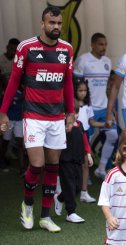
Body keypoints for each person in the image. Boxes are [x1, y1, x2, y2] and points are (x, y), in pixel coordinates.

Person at [0, 6, 75, 232]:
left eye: (59, 24)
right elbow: (14, 81)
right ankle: (28, 205)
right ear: (42, 24)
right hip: (33, 115)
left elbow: (68, 82)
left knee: (53, 165)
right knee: (37, 164)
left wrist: (71, 112)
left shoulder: (67, 49)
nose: (56, 27)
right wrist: (3, 111)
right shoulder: (26, 47)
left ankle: (45, 216)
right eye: (52, 23)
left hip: (56, 116)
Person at [74, 33, 118, 179]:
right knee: (85, 141)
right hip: (88, 109)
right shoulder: (83, 60)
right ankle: (81, 172)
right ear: (92, 45)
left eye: (105, 44)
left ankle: (101, 168)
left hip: (104, 107)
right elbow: (76, 84)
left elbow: (107, 87)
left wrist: (111, 107)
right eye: (100, 44)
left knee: (112, 135)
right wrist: (79, 105)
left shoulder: (107, 61)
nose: (103, 47)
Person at [54, 103, 93, 223]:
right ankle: (71, 212)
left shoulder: (80, 125)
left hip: (78, 159)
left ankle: (60, 198)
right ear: (65, 115)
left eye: (76, 114)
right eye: (72, 114)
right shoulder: (61, 126)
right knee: (69, 186)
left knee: (77, 186)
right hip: (65, 160)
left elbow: (85, 140)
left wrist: (88, 154)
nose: (75, 116)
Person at [73, 77, 105, 202]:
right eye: (80, 90)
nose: (82, 93)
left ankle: (84, 192)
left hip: (84, 134)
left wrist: (104, 125)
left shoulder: (87, 105)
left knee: (85, 164)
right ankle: (60, 189)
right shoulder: (70, 103)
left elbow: (91, 122)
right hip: (72, 134)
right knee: (68, 163)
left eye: (85, 91)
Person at [0, 38, 23, 173]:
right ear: (7, 46)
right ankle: (2, 158)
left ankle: (21, 166)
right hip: (4, 96)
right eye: (12, 49)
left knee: (18, 140)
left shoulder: (19, 61)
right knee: (4, 138)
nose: (13, 51)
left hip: (16, 97)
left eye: (16, 50)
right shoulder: (1, 60)